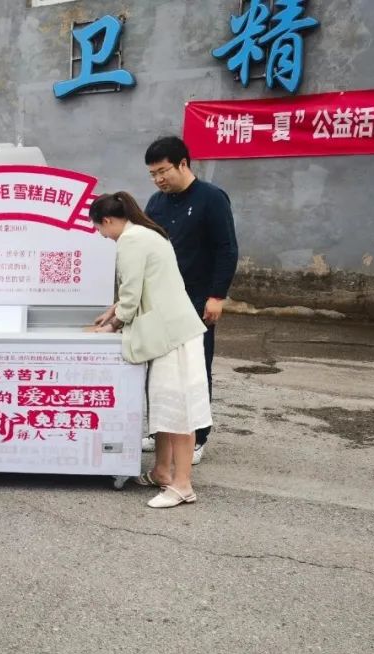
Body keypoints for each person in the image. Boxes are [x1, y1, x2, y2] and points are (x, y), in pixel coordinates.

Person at [91, 192, 210, 508]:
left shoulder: (130, 240)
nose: (102, 235)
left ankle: (182, 485)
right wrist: (114, 309)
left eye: (99, 229)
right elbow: (145, 284)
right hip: (172, 332)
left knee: (178, 411)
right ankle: (161, 471)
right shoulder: (147, 233)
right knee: (164, 407)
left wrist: (112, 325)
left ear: (107, 220)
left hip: (172, 336)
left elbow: (131, 295)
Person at [141, 136, 238, 465]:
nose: (158, 179)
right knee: (159, 367)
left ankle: (197, 437)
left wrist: (217, 296)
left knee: (194, 369)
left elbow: (227, 249)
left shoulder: (211, 198)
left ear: (183, 163)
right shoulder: (156, 203)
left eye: (163, 171)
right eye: (153, 174)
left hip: (198, 298)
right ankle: (160, 433)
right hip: (161, 300)